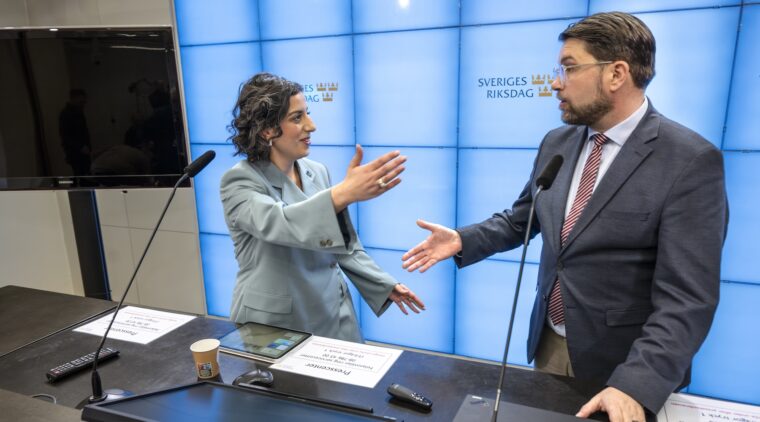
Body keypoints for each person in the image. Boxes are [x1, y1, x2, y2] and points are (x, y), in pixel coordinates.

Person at [401, 12, 727, 422]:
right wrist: (463, 239)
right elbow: (523, 218)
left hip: (627, 367)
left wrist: (635, 384)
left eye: (569, 68)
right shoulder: (557, 142)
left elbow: (687, 299)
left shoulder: (690, 160)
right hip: (550, 344)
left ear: (617, 74)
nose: (556, 82)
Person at [221, 72, 425, 343]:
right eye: (297, 118)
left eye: (308, 114)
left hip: (334, 313)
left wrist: (383, 284)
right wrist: (342, 193)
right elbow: (280, 223)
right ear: (267, 129)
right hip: (276, 324)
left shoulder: (317, 171)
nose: (312, 126)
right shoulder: (239, 181)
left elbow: (343, 245)